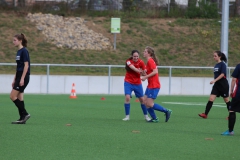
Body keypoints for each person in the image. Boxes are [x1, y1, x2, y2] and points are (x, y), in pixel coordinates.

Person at [141, 46, 172, 122]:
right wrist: (143, 73)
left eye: (145, 51)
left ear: (149, 53)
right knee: (144, 101)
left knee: (150, 104)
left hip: (154, 86)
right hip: (150, 85)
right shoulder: (148, 62)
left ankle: (166, 111)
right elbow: (149, 73)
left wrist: (145, 77)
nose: (143, 52)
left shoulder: (151, 61)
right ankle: (154, 118)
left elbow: (155, 71)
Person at [198, 51, 230, 119]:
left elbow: (222, 74)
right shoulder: (216, 65)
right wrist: (215, 81)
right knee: (211, 98)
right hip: (217, 85)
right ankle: (205, 114)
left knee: (226, 100)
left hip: (223, 85)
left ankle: (231, 115)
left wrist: (214, 80)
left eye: (215, 56)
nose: (214, 57)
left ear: (219, 56)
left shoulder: (223, 64)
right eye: (213, 56)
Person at [122, 50, 151, 121]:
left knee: (142, 99)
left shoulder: (141, 62)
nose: (136, 58)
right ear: (132, 56)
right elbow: (133, 68)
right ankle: (127, 116)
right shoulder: (128, 61)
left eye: (137, 56)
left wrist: (143, 73)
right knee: (127, 97)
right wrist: (139, 70)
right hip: (128, 82)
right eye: (134, 56)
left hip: (137, 83)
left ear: (139, 56)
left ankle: (146, 116)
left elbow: (144, 73)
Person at [10, 33, 31, 124]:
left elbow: (26, 66)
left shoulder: (24, 51)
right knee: (19, 97)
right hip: (19, 76)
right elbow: (18, 67)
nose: (13, 42)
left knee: (12, 96)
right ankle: (22, 118)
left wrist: (22, 79)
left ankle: (25, 114)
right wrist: (14, 79)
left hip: (24, 76)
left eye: (15, 40)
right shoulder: (18, 52)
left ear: (20, 41)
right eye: (13, 40)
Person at [221, 63, 240, 135]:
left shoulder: (239, 66)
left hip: (238, 93)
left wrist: (231, 90)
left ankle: (230, 131)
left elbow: (234, 79)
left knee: (232, 110)